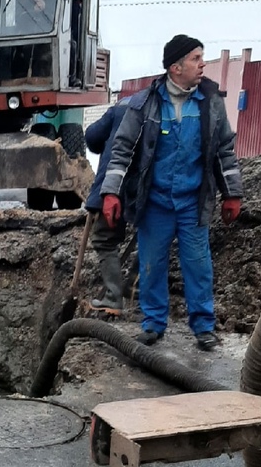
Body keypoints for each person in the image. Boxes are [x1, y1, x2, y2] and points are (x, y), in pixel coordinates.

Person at [99, 34, 242, 350]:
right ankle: (152, 324)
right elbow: (121, 150)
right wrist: (111, 192)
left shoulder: (211, 103)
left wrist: (232, 193)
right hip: (156, 203)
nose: (202, 64)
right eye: (195, 58)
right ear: (176, 68)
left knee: (198, 264)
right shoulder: (145, 104)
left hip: (192, 202)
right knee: (151, 264)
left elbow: (224, 151)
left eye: (201, 57)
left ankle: (204, 327)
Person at [84, 96, 133, 314]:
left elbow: (92, 136)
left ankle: (114, 297)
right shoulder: (164, 109)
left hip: (116, 186)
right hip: (151, 188)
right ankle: (134, 286)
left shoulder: (121, 108)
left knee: (103, 238)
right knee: (151, 240)